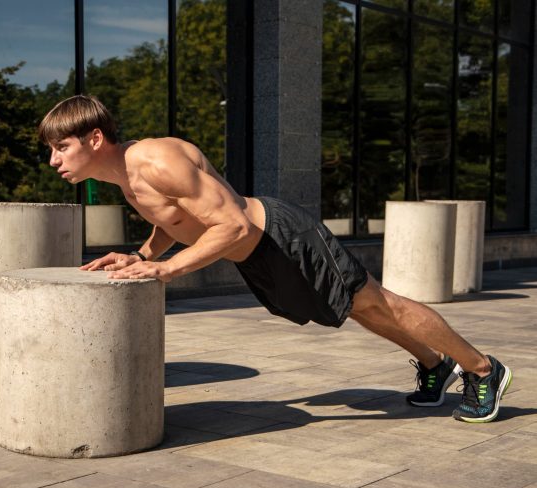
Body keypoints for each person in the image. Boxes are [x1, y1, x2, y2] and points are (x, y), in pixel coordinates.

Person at [37, 94, 512, 423]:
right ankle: (432, 364)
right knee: (356, 310)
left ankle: (483, 368)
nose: (55, 160)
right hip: (259, 257)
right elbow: (175, 221)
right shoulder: (125, 178)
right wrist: (140, 253)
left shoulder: (157, 161)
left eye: (62, 147)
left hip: (282, 238)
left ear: (94, 139)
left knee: (379, 302)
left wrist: (165, 269)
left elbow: (234, 225)